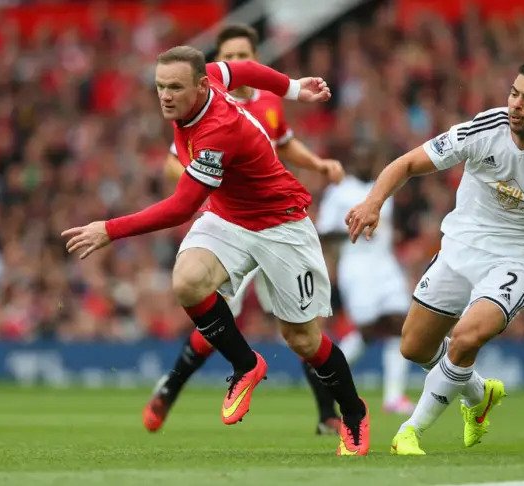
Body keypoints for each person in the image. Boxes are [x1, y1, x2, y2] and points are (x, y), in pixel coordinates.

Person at [62, 45, 369, 456]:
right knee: (187, 281)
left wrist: (109, 229)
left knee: (303, 340)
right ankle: (246, 365)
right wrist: (295, 88)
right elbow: (243, 68)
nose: (166, 96)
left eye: (175, 87)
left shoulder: (217, 131)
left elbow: (181, 208)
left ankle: (353, 414)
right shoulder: (209, 77)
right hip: (229, 218)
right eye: (159, 87)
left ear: (200, 86)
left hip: (281, 224)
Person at [346, 58, 524, 455]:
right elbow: (407, 163)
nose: (516, 105)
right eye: (514, 93)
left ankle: (410, 431)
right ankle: (479, 394)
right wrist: (373, 202)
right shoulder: (485, 129)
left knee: (466, 337)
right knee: (414, 347)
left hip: (517, 262)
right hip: (459, 248)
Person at [146, 25, 344, 437]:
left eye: (243, 55)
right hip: (231, 222)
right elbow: (173, 165)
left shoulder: (268, 104)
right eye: (228, 56)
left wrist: (318, 164)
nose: (235, 63)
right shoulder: (197, 109)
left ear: (252, 59)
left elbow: (285, 146)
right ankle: (172, 387)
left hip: (274, 223)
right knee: (209, 312)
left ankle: (328, 413)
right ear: (214, 65)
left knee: (300, 329)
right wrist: (202, 179)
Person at [316, 144, 415, 415]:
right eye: (359, 157)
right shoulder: (339, 192)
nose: (364, 163)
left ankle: (394, 397)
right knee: (369, 331)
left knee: (400, 324)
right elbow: (322, 233)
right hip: (356, 266)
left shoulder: (383, 188)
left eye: (368, 157)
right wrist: (352, 226)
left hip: (385, 264)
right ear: (351, 161)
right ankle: (326, 373)